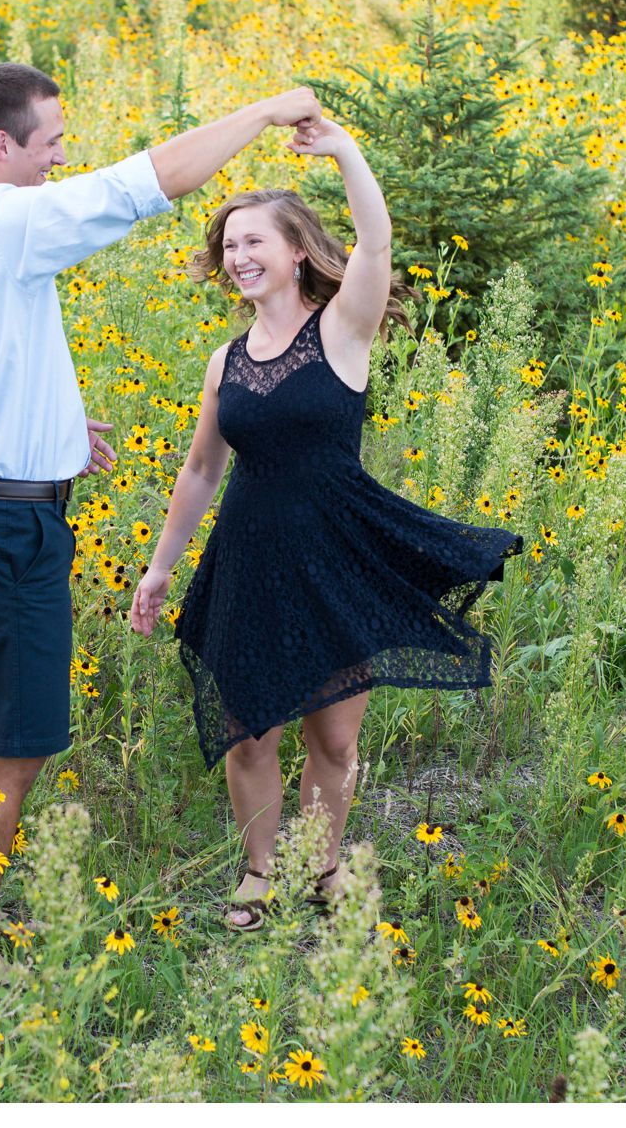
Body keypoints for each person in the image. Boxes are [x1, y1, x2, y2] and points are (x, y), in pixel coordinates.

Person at [0, 63, 321, 975]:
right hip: (5, 528)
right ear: (1, 146)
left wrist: (40, 425)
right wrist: (266, 111)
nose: (59, 159)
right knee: (13, 746)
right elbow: (145, 184)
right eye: (49, 144)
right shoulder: (5, 220)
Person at [128, 115, 522, 931]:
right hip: (248, 557)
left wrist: (344, 151)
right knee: (249, 735)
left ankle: (325, 866)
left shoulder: (341, 331)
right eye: (228, 244)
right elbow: (202, 469)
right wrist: (161, 567)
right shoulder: (225, 362)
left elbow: (375, 248)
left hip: (336, 554)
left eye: (254, 242)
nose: (238, 257)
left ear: (297, 250)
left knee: (334, 742)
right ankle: (258, 873)